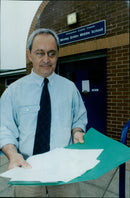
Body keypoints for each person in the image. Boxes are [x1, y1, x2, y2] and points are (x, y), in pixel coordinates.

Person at [0, 28, 87, 197]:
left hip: (65, 171)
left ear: (57, 55)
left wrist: (77, 131)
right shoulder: (13, 92)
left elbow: (79, 118)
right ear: (29, 54)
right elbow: (5, 129)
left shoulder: (70, 89)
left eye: (52, 53)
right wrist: (12, 154)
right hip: (26, 168)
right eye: (40, 53)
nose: (46, 59)